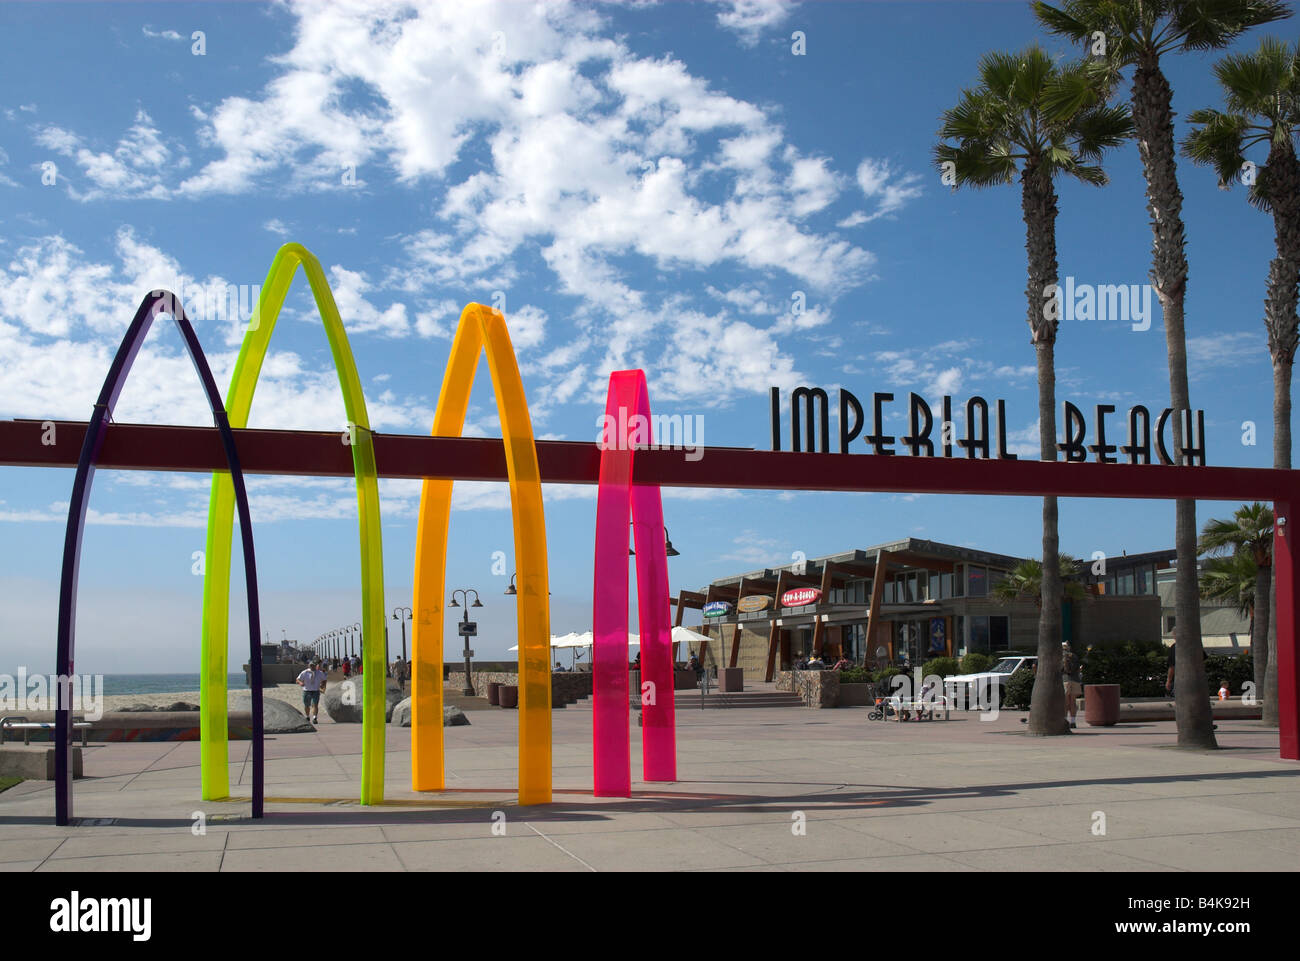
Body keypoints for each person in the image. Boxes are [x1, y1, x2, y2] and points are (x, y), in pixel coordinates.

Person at [296, 659, 327, 724]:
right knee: (306, 705)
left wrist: (322, 685)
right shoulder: (305, 672)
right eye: (311, 665)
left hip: (315, 691)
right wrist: (300, 683)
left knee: (315, 705)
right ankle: (307, 716)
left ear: (316, 665)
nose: (312, 666)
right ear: (309, 665)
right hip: (307, 690)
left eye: (313, 665)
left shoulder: (319, 673)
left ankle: (314, 717)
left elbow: (324, 680)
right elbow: (298, 679)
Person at [1061, 642, 1082, 728]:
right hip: (1075, 680)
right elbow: (1077, 669)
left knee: (1065, 702)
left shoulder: (1060, 656)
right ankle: (1073, 722)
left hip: (1065, 680)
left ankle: (1065, 721)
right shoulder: (1074, 656)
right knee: (1073, 702)